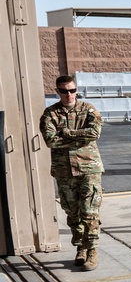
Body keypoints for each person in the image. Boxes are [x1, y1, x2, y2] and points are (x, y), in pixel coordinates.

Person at [39, 75, 104, 271]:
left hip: (89, 169)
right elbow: (50, 140)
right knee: (72, 213)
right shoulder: (50, 114)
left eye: (72, 90)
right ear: (57, 91)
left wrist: (66, 133)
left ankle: (92, 250)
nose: (69, 95)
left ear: (77, 90)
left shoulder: (88, 109)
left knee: (89, 211)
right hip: (64, 171)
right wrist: (79, 137)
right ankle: (80, 248)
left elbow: (94, 134)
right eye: (65, 91)